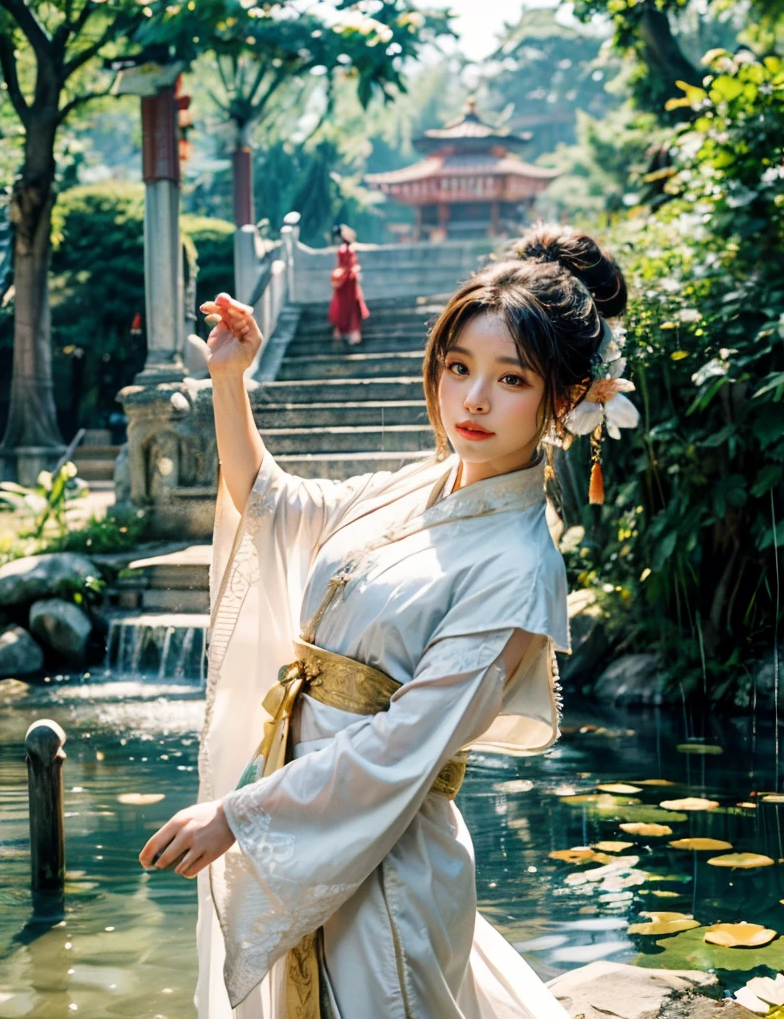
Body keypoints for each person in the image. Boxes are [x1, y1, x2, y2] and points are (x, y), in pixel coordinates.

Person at [139, 226, 638, 1019]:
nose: (473, 400)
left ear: (564, 399)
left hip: (391, 863)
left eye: (511, 379)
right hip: (304, 821)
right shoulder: (414, 488)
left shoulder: (519, 564)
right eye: (459, 367)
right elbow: (274, 505)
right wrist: (229, 381)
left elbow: (408, 740)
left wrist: (239, 815)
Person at [327, 223, 369, 346]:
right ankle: (345, 336)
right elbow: (346, 266)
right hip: (347, 281)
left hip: (348, 281)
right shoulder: (344, 249)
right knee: (347, 308)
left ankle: (349, 336)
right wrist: (353, 270)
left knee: (349, 308)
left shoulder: (346, 248)